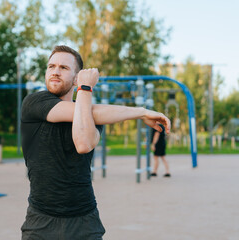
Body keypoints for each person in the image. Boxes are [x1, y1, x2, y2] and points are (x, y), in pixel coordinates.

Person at [20, 45, 171, 240]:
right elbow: (90, 111)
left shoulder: (92, 114)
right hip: (40, 223)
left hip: (84, 222)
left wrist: (84, 90)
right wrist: (141, 112)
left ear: (77, 77)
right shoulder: (34, 102)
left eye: (64, 68)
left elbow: (83, 143)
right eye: (51, 66)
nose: (55, 72)